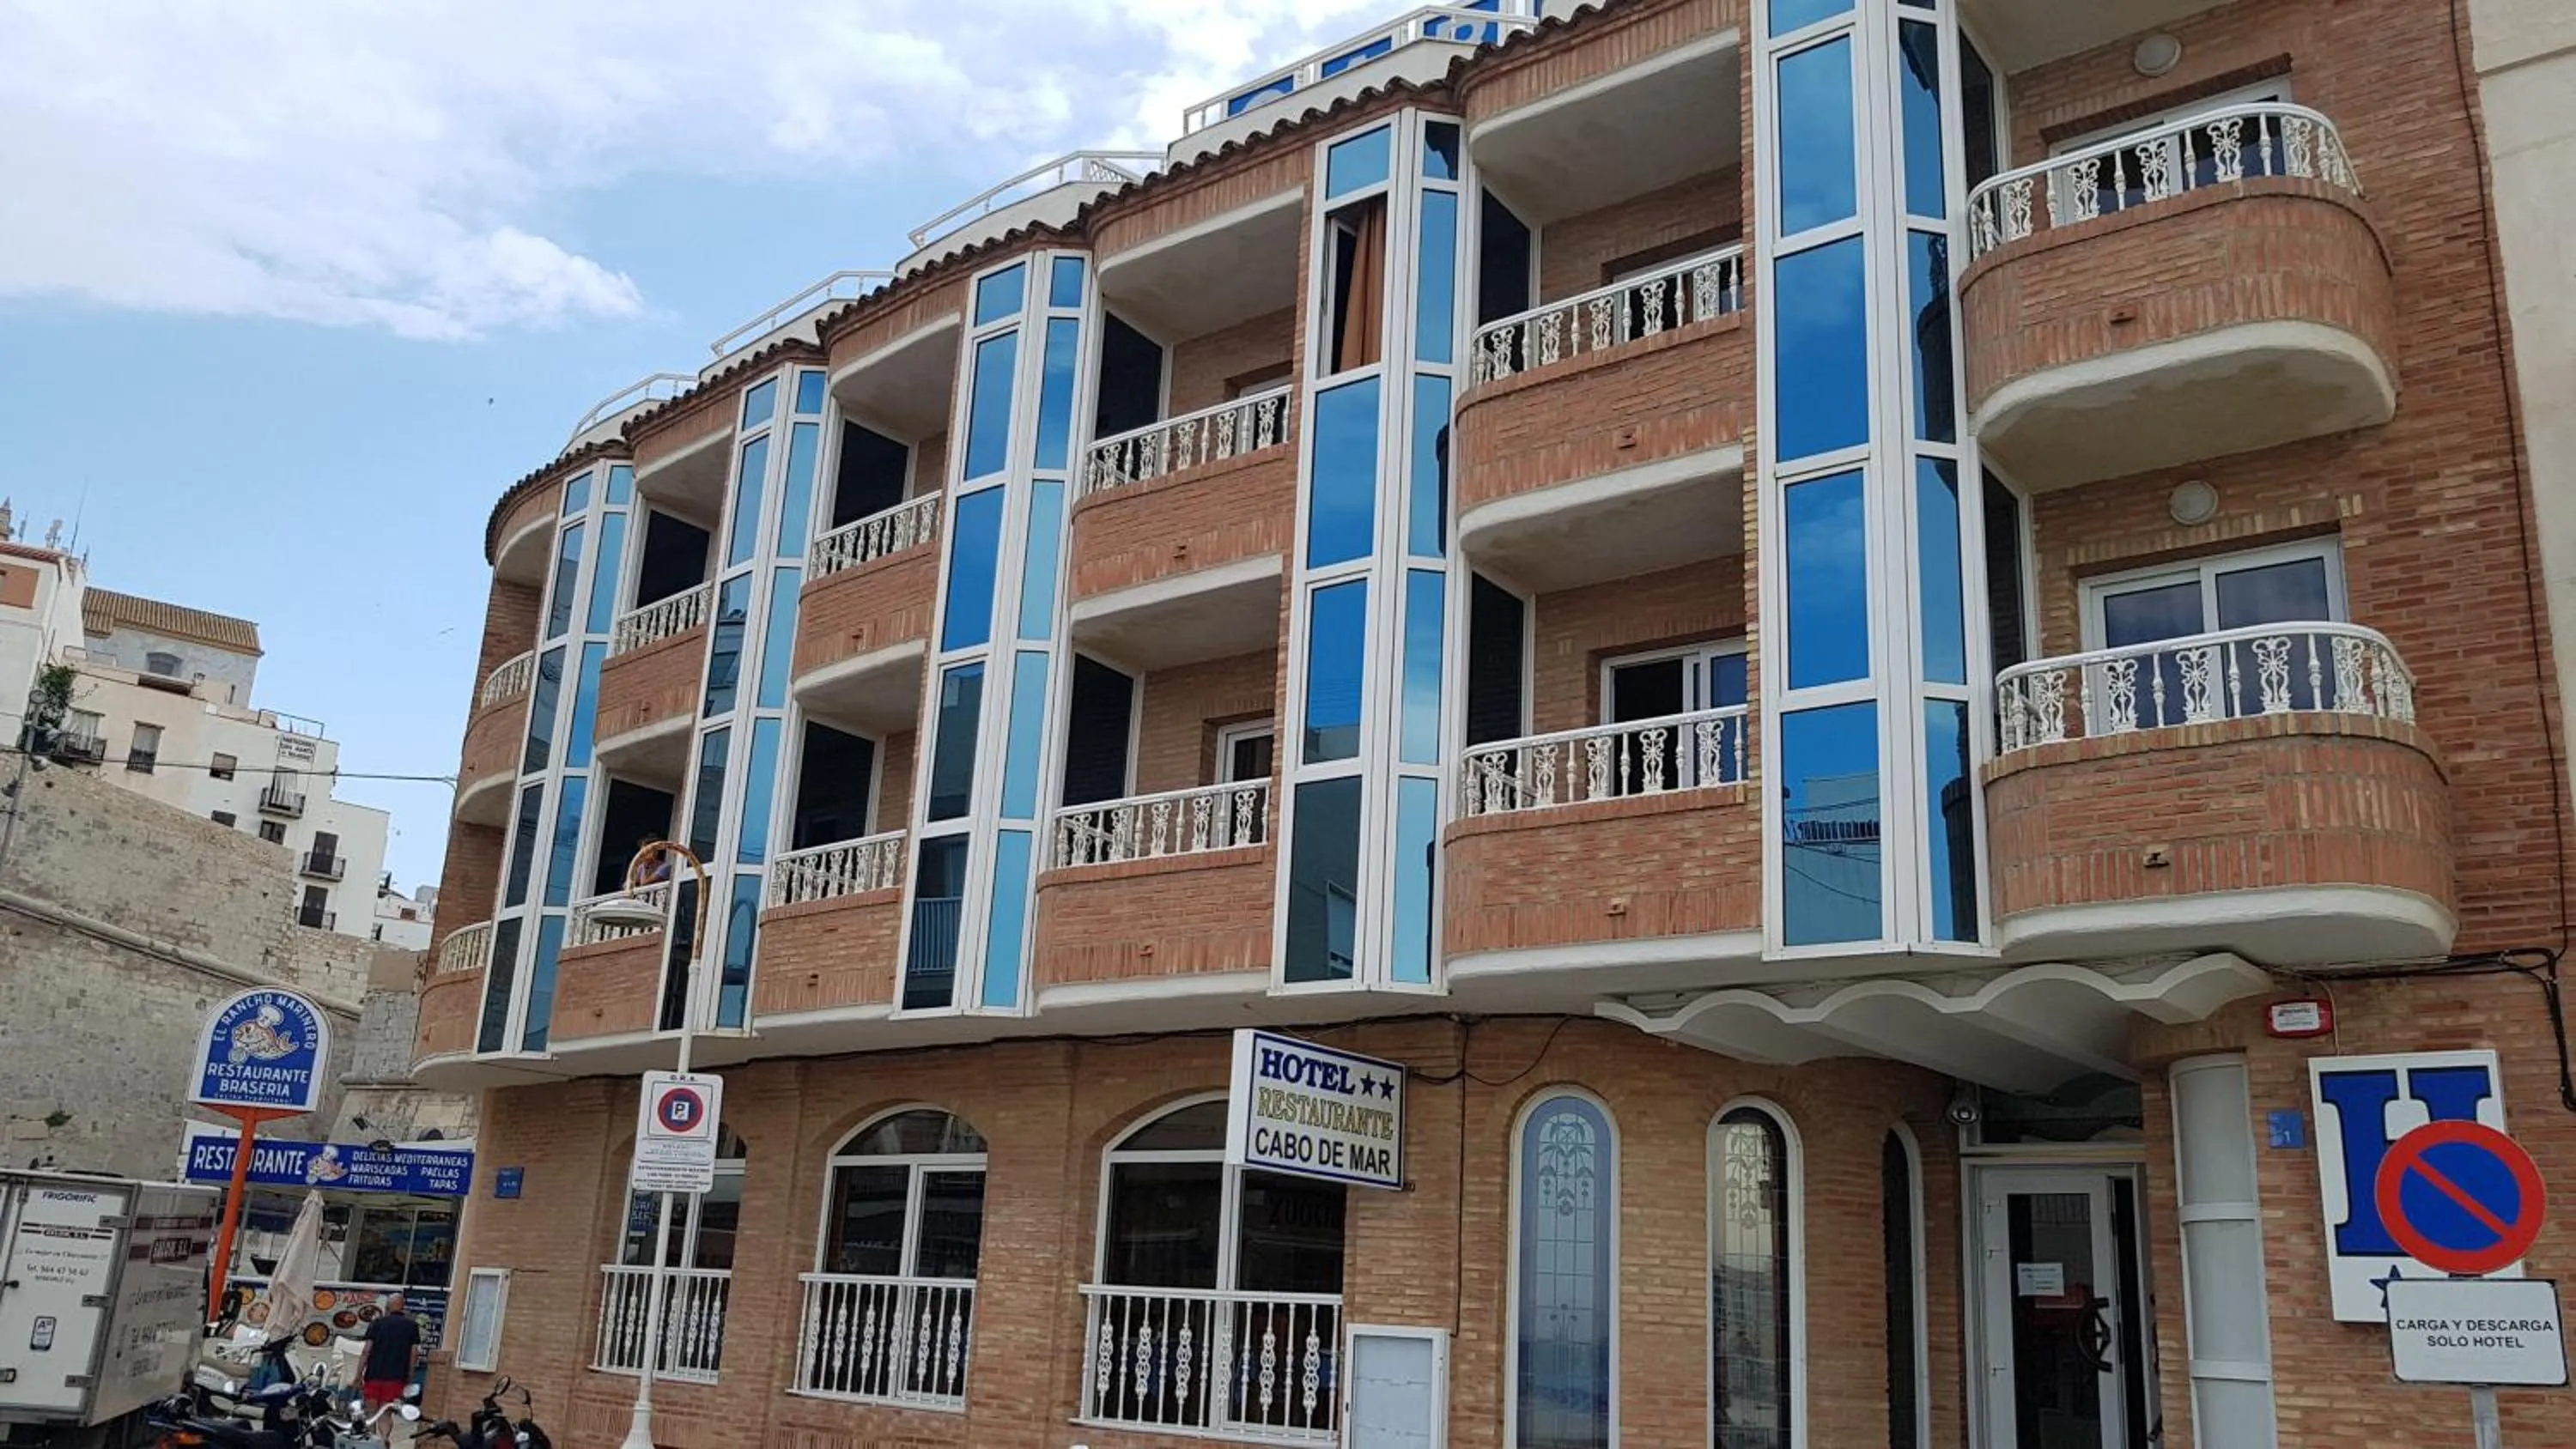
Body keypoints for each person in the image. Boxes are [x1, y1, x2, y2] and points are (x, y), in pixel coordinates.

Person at [357, 1293, 422, 1410]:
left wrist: (358, 1375)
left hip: (373, 1375)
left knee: (371, 1412)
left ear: (387, 1306)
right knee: (385, 1413)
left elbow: (366, 1351)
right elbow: (414, 1354)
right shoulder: (412, 1326)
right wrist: (410, 1376)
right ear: (403, 1307)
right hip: (396, 1377)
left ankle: (371, 1423)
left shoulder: (377, 1324)